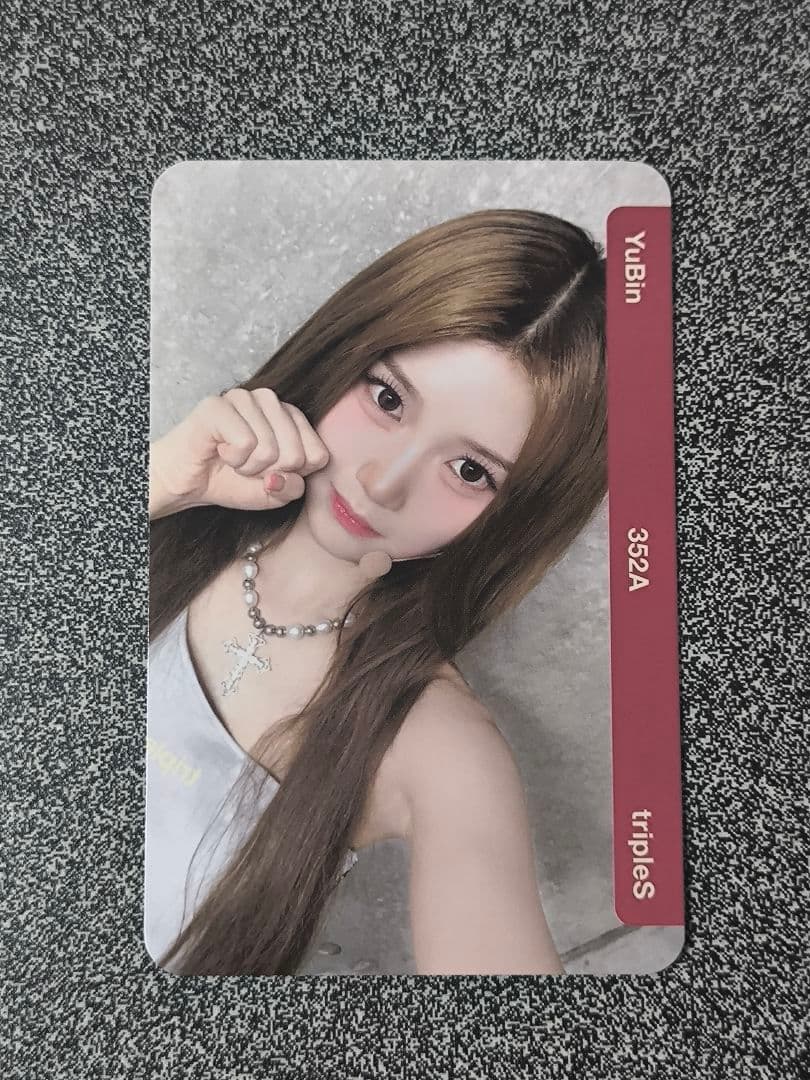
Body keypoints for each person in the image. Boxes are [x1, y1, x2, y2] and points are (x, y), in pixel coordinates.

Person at [146, 208, 607, 976]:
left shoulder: (433, 743)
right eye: (389, 399)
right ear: (345, 350)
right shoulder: (168, 517)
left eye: (470, 471)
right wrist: (154, 486)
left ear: (516, 515)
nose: (384, 483)